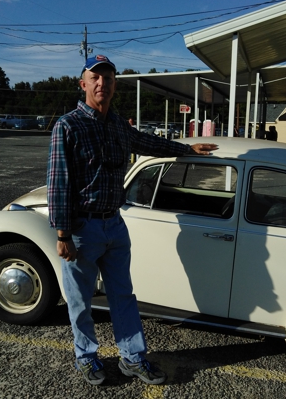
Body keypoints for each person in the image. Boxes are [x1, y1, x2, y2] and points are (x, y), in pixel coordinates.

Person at [46, 55, 217, 386]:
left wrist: (187, 149)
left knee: (123, 296)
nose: (102, 84)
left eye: (108, 78)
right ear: (83, 85)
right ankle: (86, 357)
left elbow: (151, 143)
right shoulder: (68, 126)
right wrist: (63, 233)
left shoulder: (118, 127)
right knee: (80, 301)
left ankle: (133, 358)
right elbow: (59, 183)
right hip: (82, 230)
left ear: (113, 87)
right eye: (95, 78)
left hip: (115, 225)